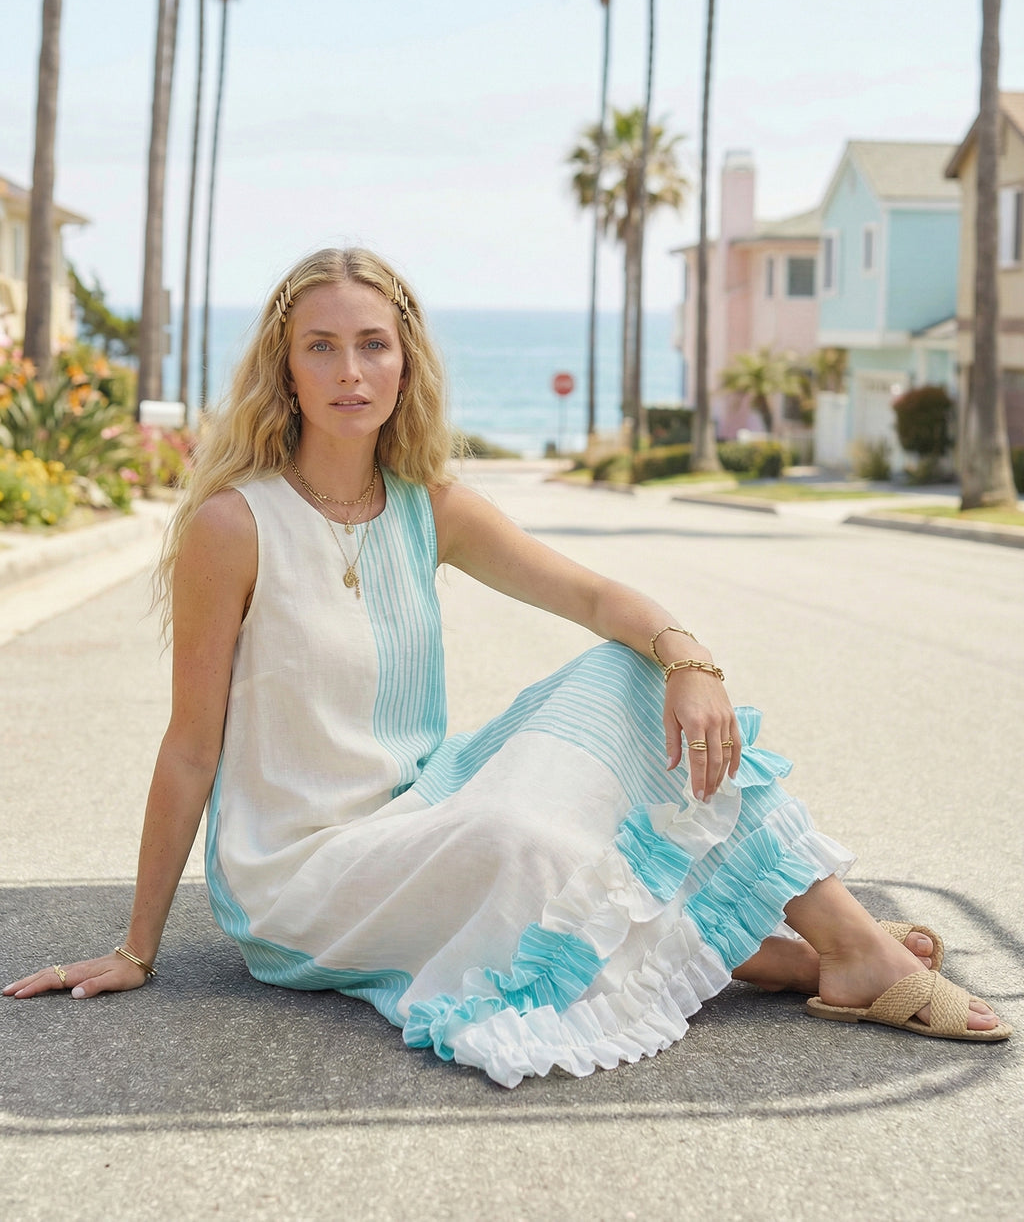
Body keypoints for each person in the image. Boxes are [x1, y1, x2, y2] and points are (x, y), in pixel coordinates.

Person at [4, 247, 1010, 1085]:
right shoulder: (233, 526)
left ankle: (845, 946)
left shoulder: (428, 507)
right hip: (300, 874)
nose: (350, 370)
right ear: (287, 370)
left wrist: (689, 659)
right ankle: (771, 953)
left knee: (628, 674)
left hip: (420, 807)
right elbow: (190, 748)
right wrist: (136, 947)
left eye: (372, 344)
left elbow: (592, 598)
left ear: (405, 364)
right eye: (322, 346)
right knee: (517, 839)